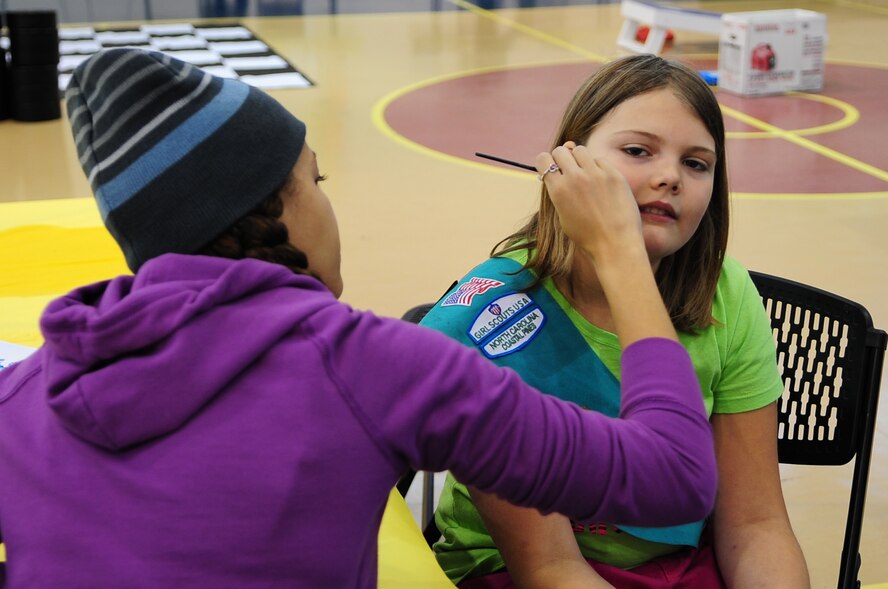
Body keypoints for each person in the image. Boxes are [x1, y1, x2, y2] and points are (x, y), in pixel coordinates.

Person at [0, 49, 718, 589]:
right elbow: (674, 474)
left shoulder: (21, 395)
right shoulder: (377, 369)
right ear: (274, 208)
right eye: (316, 178)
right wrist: (620, 251)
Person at [423, 54, 810, 589]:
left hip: (679, 567)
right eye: (637, 151)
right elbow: (550, 567)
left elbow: (755, 523)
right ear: (567, 163)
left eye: (696, 163)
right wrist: (619, 249)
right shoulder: (495, 318)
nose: (669, 176)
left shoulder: (728, 294)